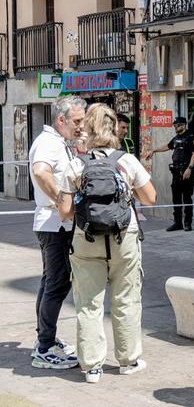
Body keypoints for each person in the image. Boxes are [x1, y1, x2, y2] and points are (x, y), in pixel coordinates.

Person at [57, 103, 156, 383]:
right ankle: (128, 360)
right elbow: (151, 198)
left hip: (86, 239)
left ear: (87, 129)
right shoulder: (128, 161)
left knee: (89, 303)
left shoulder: (77, 165)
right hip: (124, 237)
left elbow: (64, 211)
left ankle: (91, 367)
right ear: (114, 129)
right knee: (126, 299)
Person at [28, 95, 86, 370]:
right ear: (60, 120)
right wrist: (62, 203)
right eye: (76, 121)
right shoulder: (49, 143)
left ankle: (45, 338)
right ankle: (44, 347)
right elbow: (41, 172)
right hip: (55, 225)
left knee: (50, 281)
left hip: (52, 224)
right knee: (57, 284)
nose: (80, 126)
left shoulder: (57, 142)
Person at [147, 117, 194, 232]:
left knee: (187, 198)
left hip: (186, 172)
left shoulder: (190, 137)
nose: (176, 127)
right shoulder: (176, 138)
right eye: (175, 125)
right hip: (176, 173)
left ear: (184, 125)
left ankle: (188, 223)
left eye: (178, 125)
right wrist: (154, 150)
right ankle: (178, 222)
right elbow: (167, 146)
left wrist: (189, 168)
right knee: (176, 199)